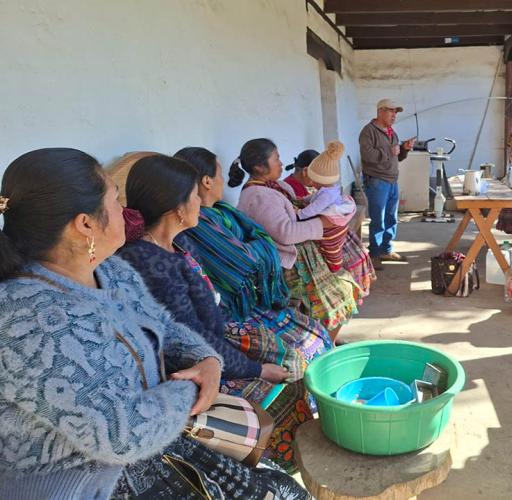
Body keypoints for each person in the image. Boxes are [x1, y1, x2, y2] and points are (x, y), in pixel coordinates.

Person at [0, 148, 308, 499]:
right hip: (89, 483)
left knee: (282, 488)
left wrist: (207, 360)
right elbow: (122, 434)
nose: (126, 213)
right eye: (116, 202)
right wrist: (196, 387)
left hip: (156, 441)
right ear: (85, 224)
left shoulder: (109, 269)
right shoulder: (27, 320)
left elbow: (162, 324)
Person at [118, 154, 329, 471]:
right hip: (185, 371)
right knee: (285, 376)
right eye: (193, 195)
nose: (199, 201)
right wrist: (256, 370)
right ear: (176, 208)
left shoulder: (174, 245)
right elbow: (191, 342)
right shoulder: (150, 263)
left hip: (210, 341)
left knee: (296, 347)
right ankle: (280, 462)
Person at [228, 139, 366, 340]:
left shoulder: (270, 187)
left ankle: (326, 341)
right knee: (342, 295)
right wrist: (323, 224)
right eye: (276, 159)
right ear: (259, 166)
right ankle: (323, 348)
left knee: (342, 289)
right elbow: (286, 233)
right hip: (289, 264)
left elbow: (296, 207)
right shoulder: (259, 195)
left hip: (301, 257)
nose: (282, 163)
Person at [359, 98, 415, 270]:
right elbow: (368, 156)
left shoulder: (392, 132)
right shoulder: (368, 132)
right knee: (378, 220)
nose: (394, 115)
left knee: (391, 218)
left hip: (391, 181)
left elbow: (396, 157)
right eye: (391, 111)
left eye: (396, 112)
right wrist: (388, 151)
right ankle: (374, 254)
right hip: (377, 181)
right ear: (380, 111)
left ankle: (386, 249)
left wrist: (404, 148)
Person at [296, 141, 356, 273]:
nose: (311, 182)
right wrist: (304, 199)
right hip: (333, 220)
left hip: (334, 227)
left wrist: (299, 214)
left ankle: (335, 264)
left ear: (319, 180)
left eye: (313, 179)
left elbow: (314, 209)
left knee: (331, 246)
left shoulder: (326, 196)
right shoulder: (327, 189)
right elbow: (314, 198)